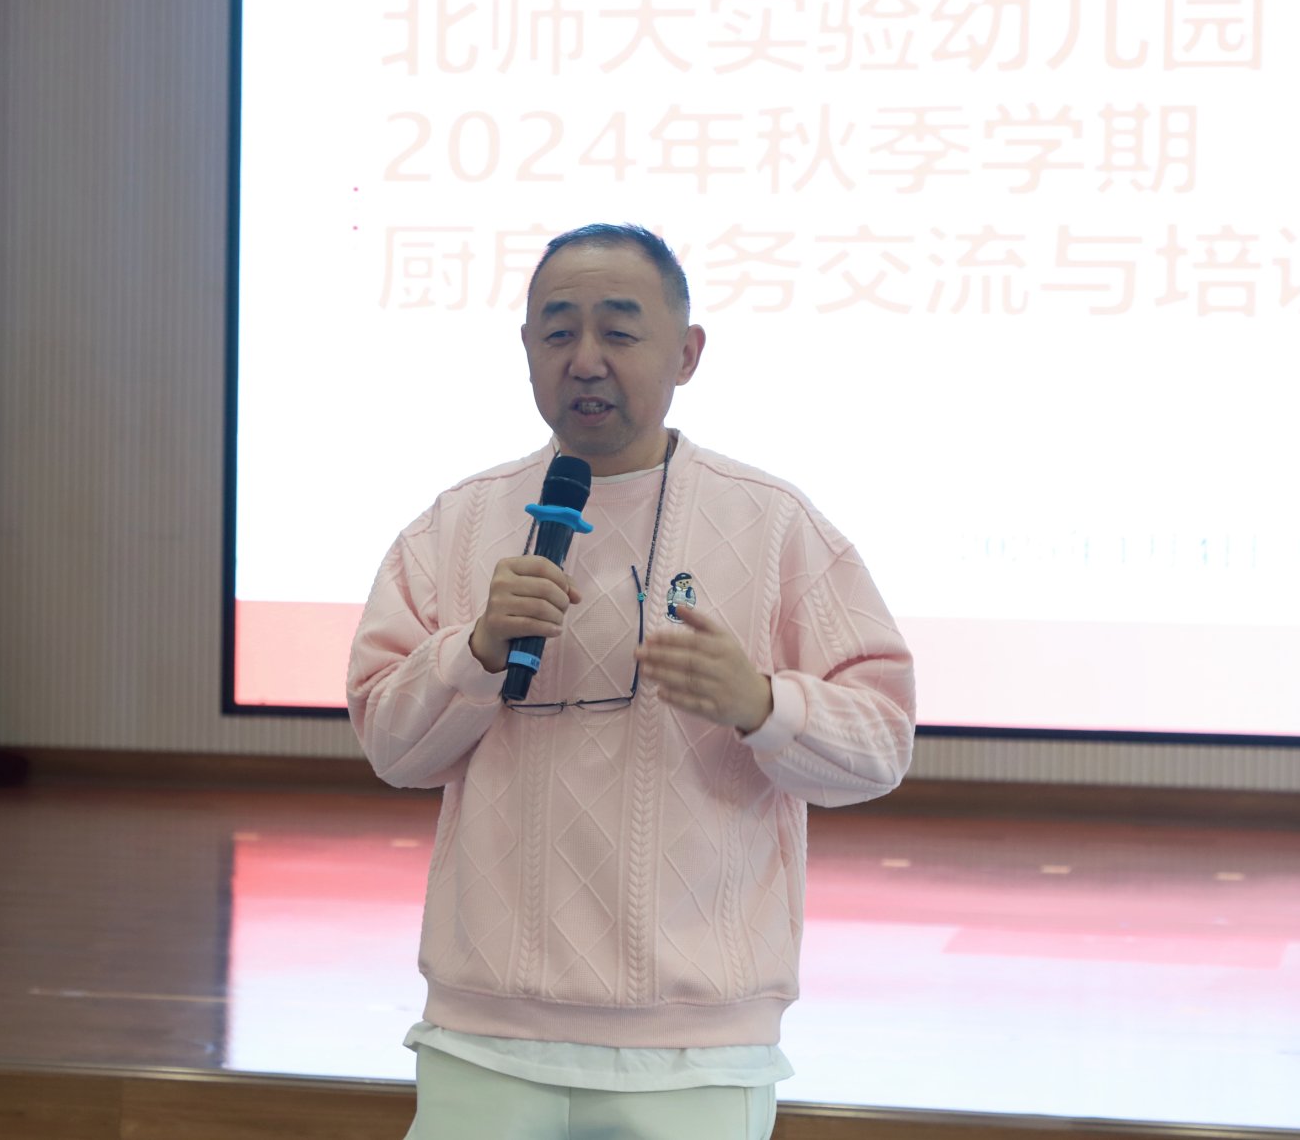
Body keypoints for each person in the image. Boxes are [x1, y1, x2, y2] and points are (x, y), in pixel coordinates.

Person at [347, 224, 915, 1140]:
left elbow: (882, 744)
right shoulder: (455, 526)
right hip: (488, 1038)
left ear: (687, 354)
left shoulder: (773, 525)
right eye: (557, 332)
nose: (585, 360)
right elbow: (390, 746)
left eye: (618, 331)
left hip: (698, 1051)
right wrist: (477, 650)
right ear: (525, 350)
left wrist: (763, 706)